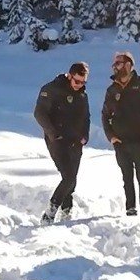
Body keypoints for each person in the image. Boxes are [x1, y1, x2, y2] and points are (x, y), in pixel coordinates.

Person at [102, 51, 140, 217]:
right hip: (120, 142)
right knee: (127, 178)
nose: (115, 67)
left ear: (128, 65)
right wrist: (111, 136)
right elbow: (105, 114)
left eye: (118, 63)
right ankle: (130, 210)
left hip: (139, 140)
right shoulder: (112, 89)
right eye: (114, 64)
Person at [34, 61, 90, 224]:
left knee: (72, 180)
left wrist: (84, 136)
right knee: (68, 177)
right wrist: (53, 134)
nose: (79, 85)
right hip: (57, 140)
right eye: (77, 81)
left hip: (75, 141)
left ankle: (67, 213)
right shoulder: (52, 89)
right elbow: (39, 113)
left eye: (83, 82)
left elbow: (86, 117)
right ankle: (50, 213)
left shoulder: (82, 95)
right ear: (69, 75)